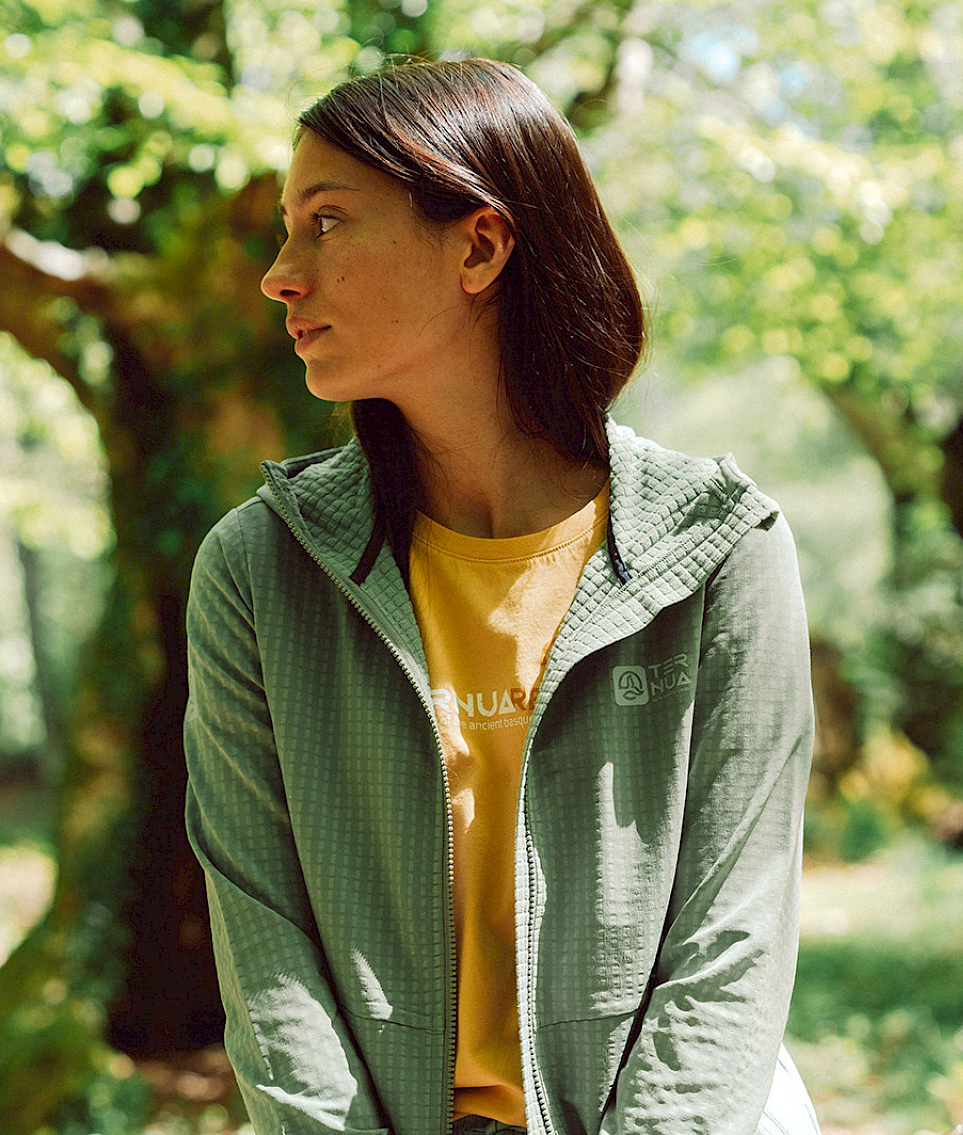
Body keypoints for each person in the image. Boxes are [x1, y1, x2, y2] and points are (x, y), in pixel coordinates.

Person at [183, 57, 822, 1135]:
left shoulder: (721, 553)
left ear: (479, 246)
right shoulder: (258, 570)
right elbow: (267, 960)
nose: (279, 276)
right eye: (288, 231)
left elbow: (732, 946)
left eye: (327, 222)